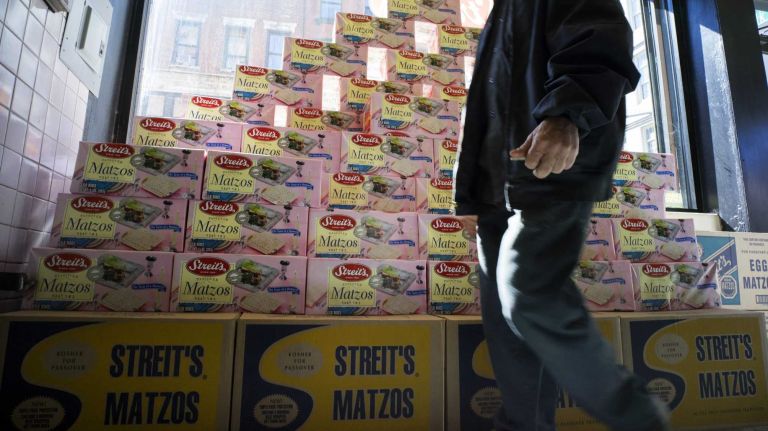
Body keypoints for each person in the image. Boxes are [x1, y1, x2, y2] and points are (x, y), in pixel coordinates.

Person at [453, 0, 670, 430]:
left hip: (552, 171)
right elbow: (488, 100)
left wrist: (567, 115)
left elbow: (600, 45)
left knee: (528, 294)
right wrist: (470, 194)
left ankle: (639, 419)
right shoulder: (502, 13)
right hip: (499, 185)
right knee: (506, 326)